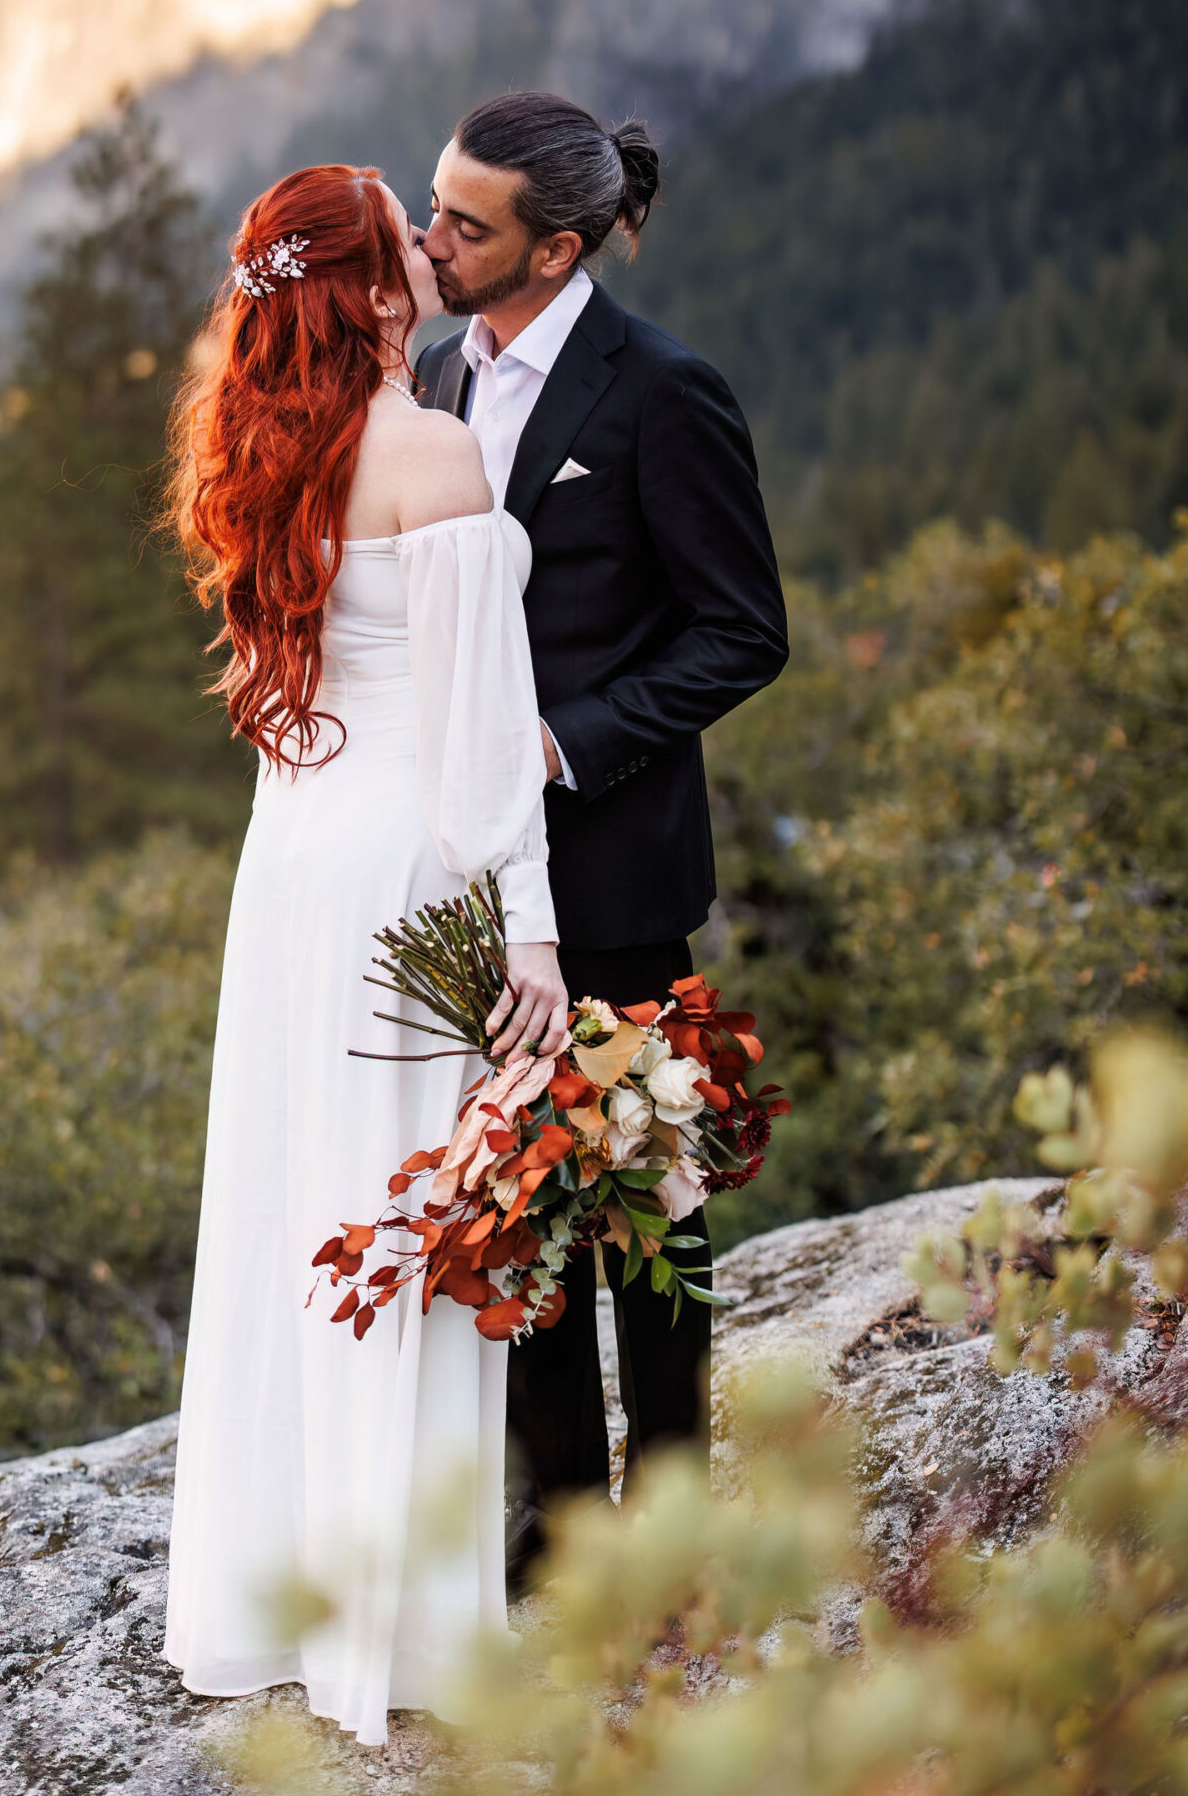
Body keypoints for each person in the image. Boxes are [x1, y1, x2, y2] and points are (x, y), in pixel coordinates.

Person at [163, 163, 570, 1749]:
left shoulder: (256, 451)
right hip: (410, 870)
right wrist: (528, 937)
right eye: (411, 235)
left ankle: (279, 1593)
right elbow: (482, 744)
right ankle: (404, 1626)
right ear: (377, 288)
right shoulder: (431, 451)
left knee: (300, 1211)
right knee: (411, 1223)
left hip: (291, 874)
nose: (431, 248)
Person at [416, 90, 788, 1574]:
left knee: (645, 1186)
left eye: (465, 223)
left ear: (555, 246)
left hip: (617, 868)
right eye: (436, 206)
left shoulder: (661, 392)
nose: (432, 239)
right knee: (523, 1189)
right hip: (473, 881)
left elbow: (742, 632)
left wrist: (568, 746)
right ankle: (556, 1513)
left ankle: (679, 1502)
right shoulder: (437, 378)